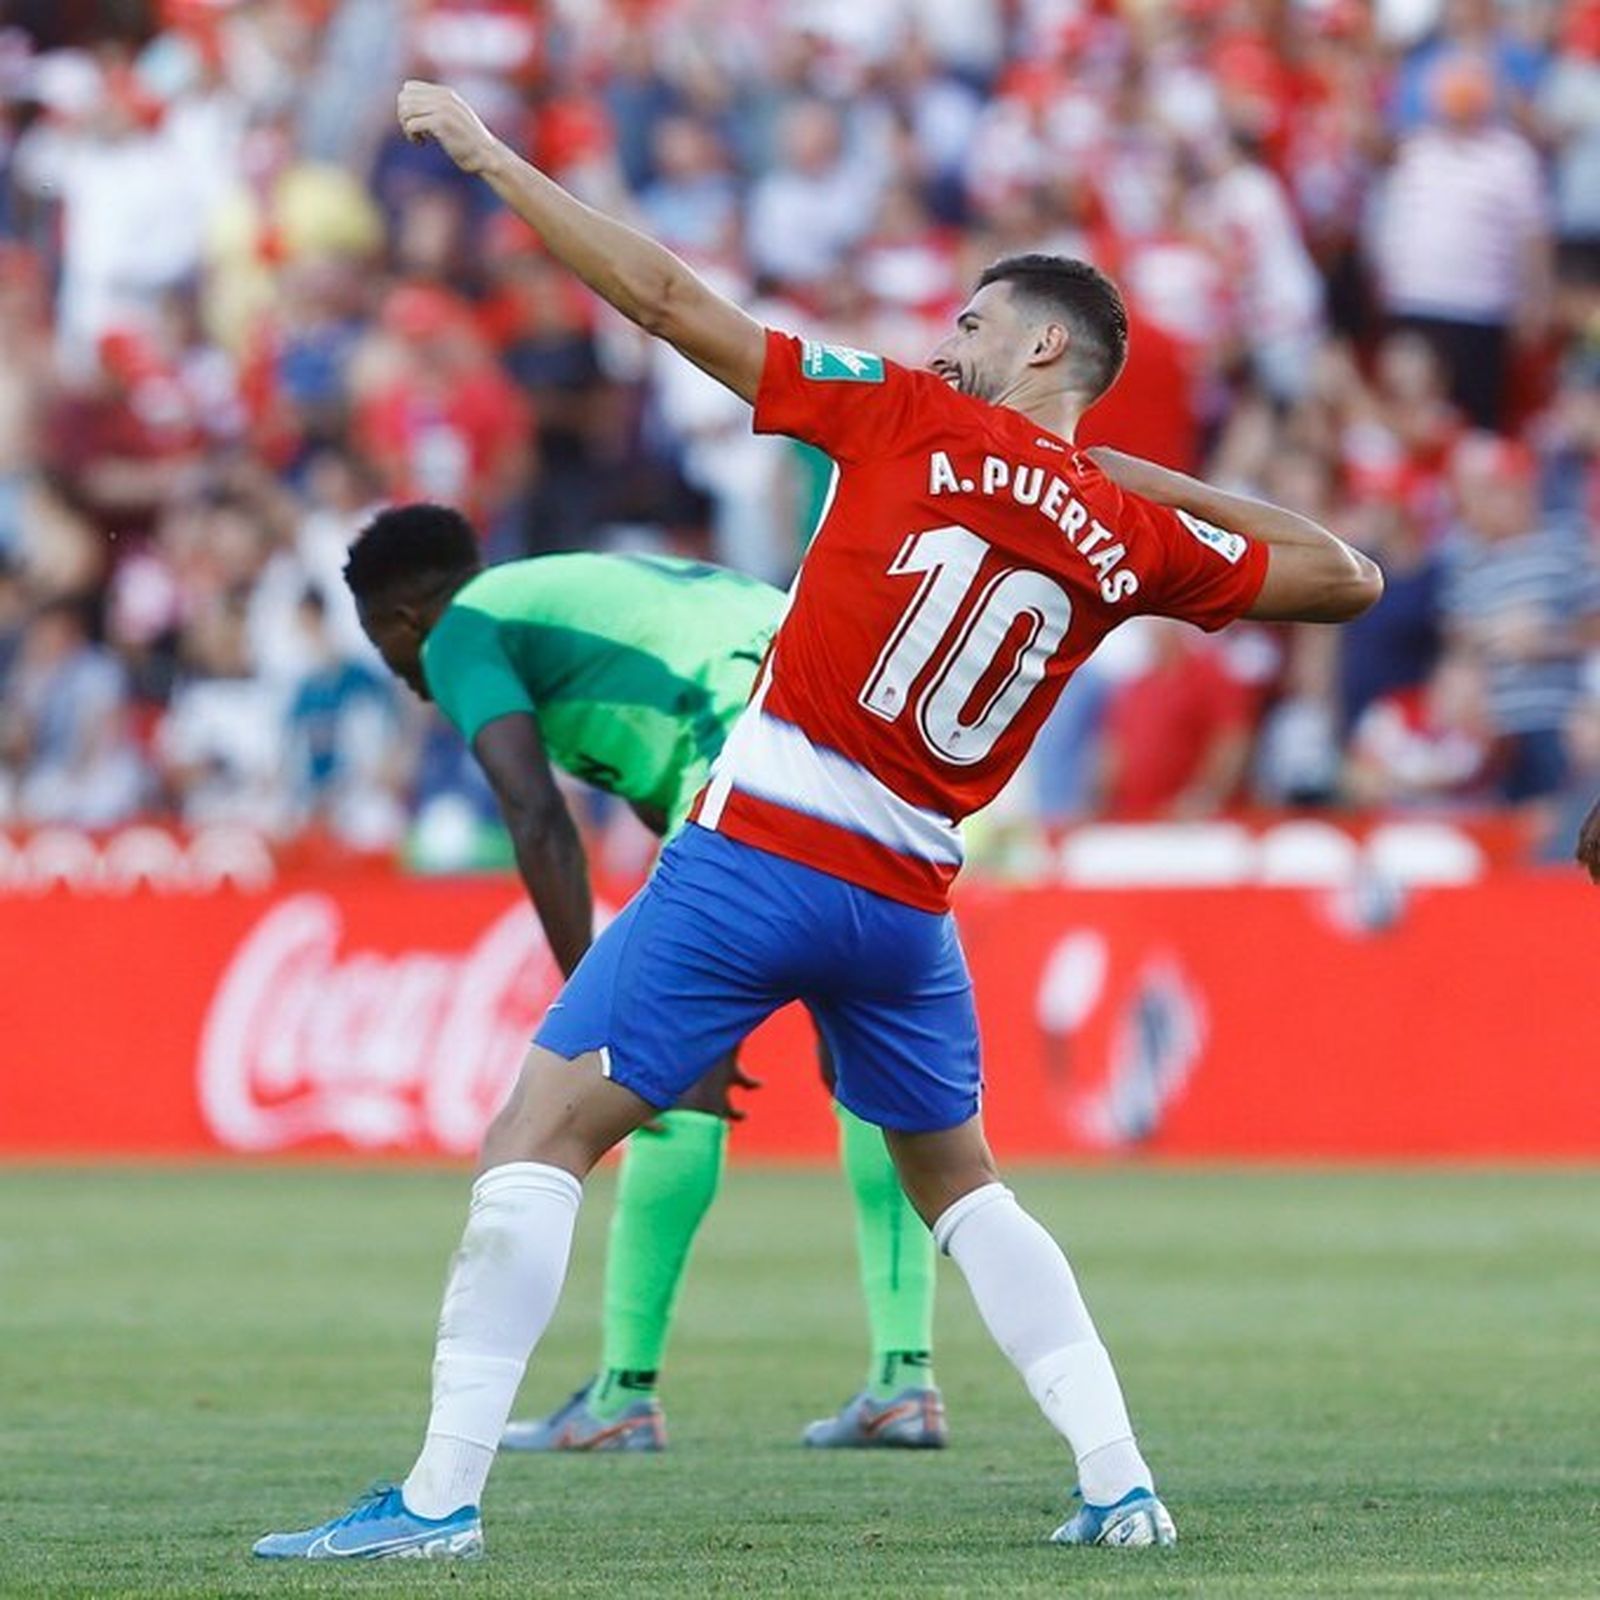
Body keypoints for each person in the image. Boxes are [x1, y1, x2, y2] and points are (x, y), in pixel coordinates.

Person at [254, 81, 1381, 1561]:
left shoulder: (901, 417)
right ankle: (1121, 1484)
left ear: (1042, 344)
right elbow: (1346, 571)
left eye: (972, 324)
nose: (940, 342)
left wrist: (486, 154)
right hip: (908, 903)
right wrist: (1119, 478)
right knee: (961, 1183)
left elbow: (661, 297)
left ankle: (439, 1503)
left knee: (535, 1134)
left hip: (760, 854)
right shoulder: (1134, 541)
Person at [341, 507, 947, 1452]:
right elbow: (642, 769)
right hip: (854, 740)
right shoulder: (578, 596)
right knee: (864, 1071)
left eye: (384, 641)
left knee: (659, 1078)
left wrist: (613, 1006)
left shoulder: (465, 628)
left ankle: (625, 1393)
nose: (398, 668)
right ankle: (904, 1380)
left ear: (407, 616)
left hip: (743, 752)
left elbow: (535, 818)